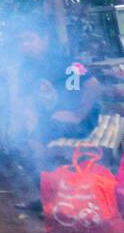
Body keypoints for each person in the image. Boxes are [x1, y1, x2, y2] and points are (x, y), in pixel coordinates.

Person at [9, 27, 103, 174]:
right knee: (21, 138)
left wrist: (78, 114)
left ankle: (48, 176)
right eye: (20, 41)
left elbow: (94, 86)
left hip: (83, 119)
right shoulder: (25, 69)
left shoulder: (66, 62)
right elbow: (27, 104)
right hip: (53, 117)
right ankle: (48, 178)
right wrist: (31, 127)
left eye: (29, 39)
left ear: (44, 40)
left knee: (39, 139)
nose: (24, 45)